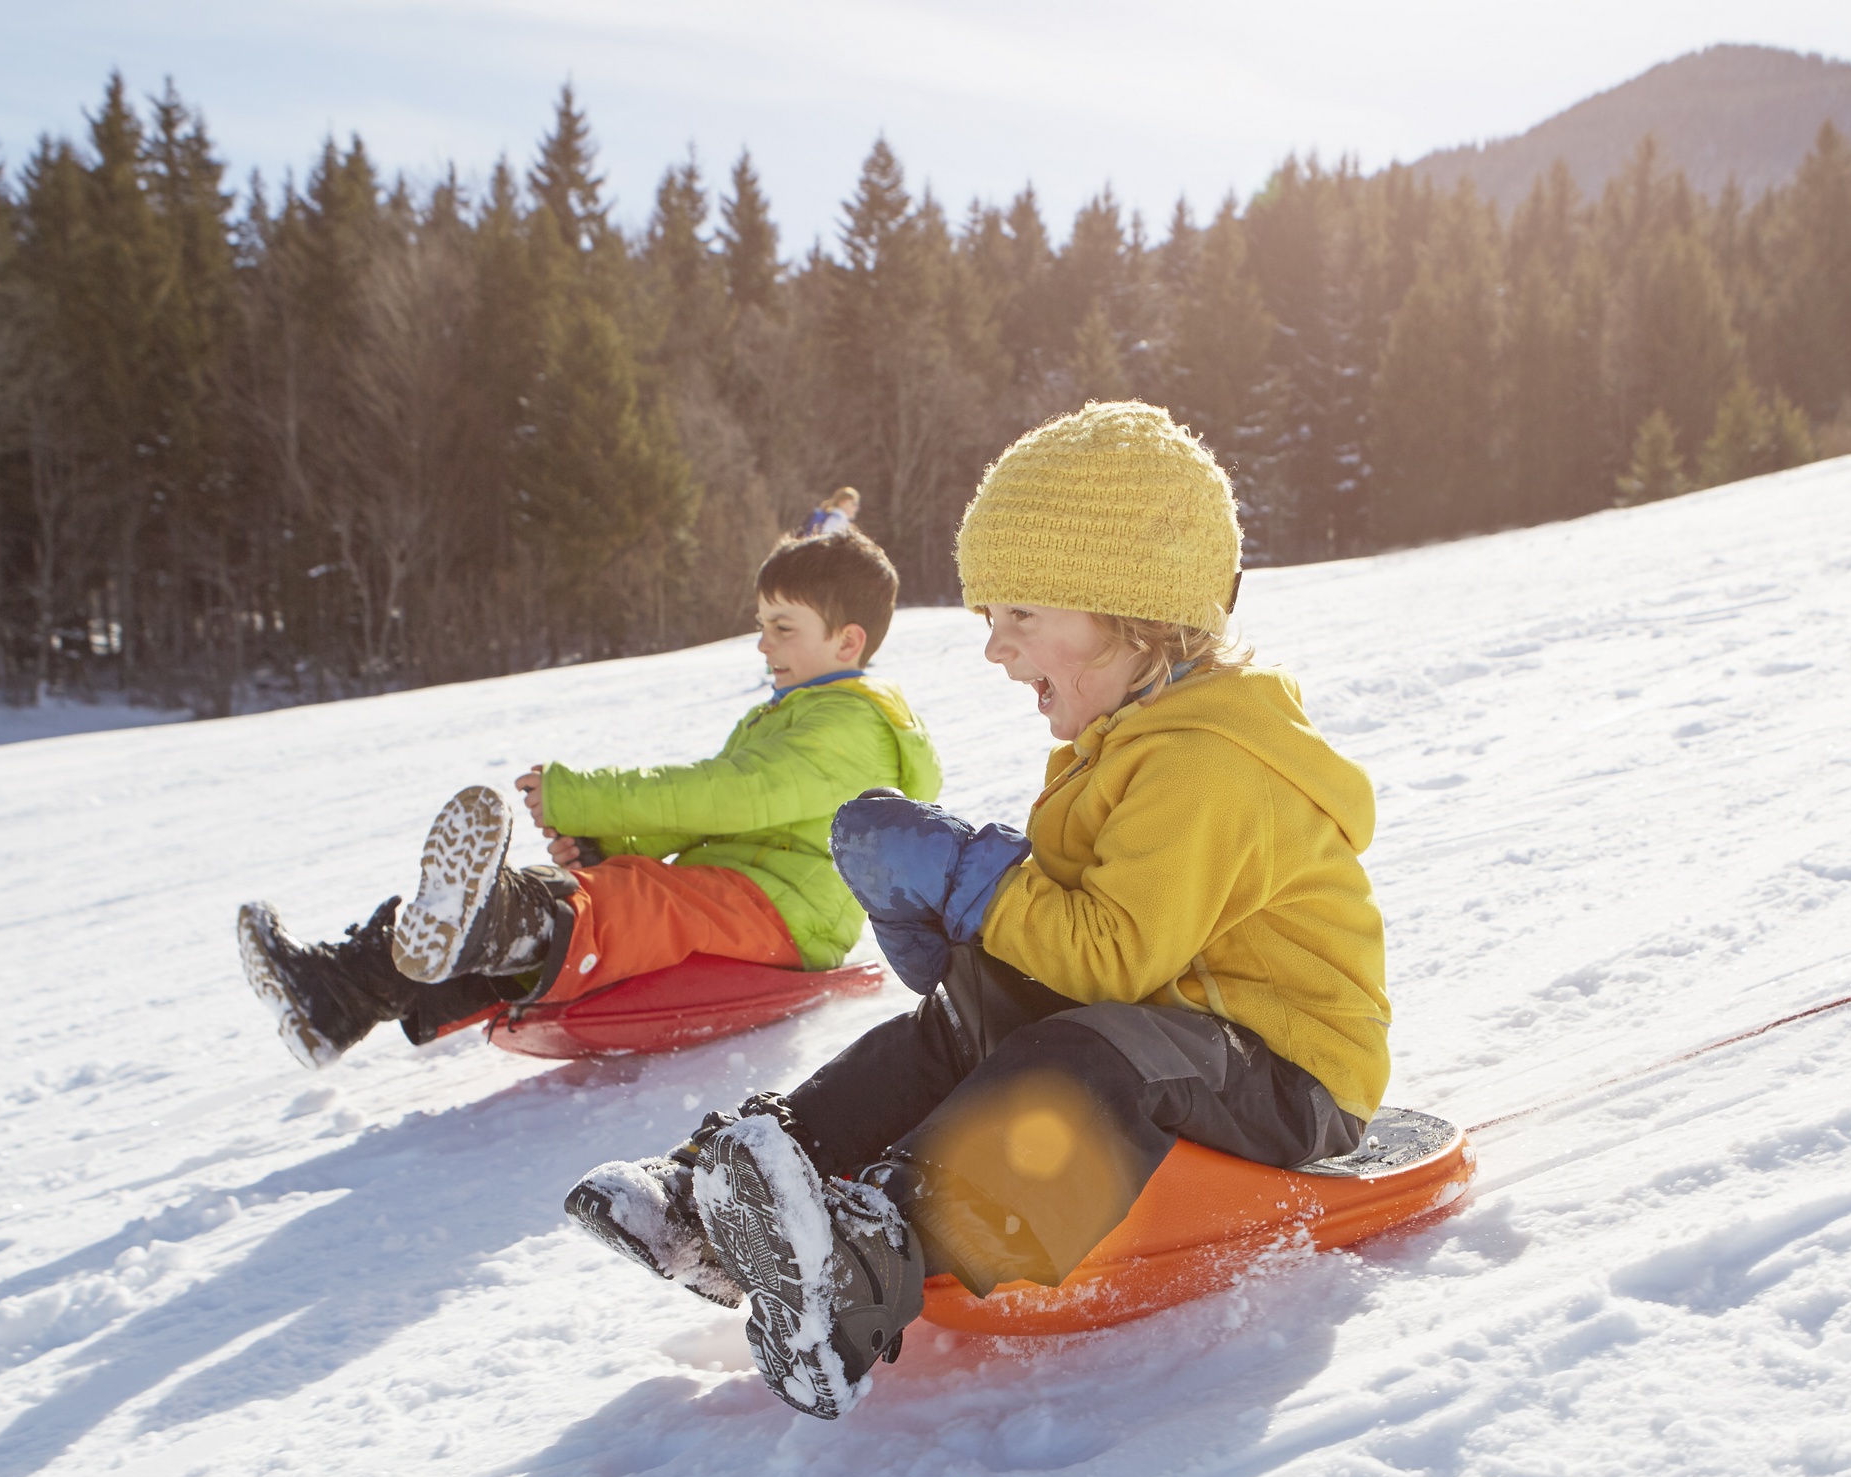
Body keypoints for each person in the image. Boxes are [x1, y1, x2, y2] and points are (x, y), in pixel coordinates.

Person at [568, 403, 1388, 1419]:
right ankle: (718, 1205)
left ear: (1130, 610)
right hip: (1170, 1018)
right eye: (989, 619)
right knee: (959, 1020)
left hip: (1287, 1066)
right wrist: (962, 933)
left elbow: (1111, 959)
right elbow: (1077, 947)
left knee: (1087, 1059)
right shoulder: (1126, 740)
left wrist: (976, 880)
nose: (998, 650)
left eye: (1020, 616)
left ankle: (867, 1263)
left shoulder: (1208, 761)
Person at [236, 529, 938, 1070]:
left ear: (848, 639)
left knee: (624, 903)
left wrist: (587, 801)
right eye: (761, 624)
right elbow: (722, 828)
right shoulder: (793, 712)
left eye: (784, 628)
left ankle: (499, 925)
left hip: (785, 911)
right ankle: (337, 994)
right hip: (737, 889)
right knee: (566, 889)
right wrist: (611, 846)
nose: (763, 644)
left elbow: (730, 799)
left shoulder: (852, 724)